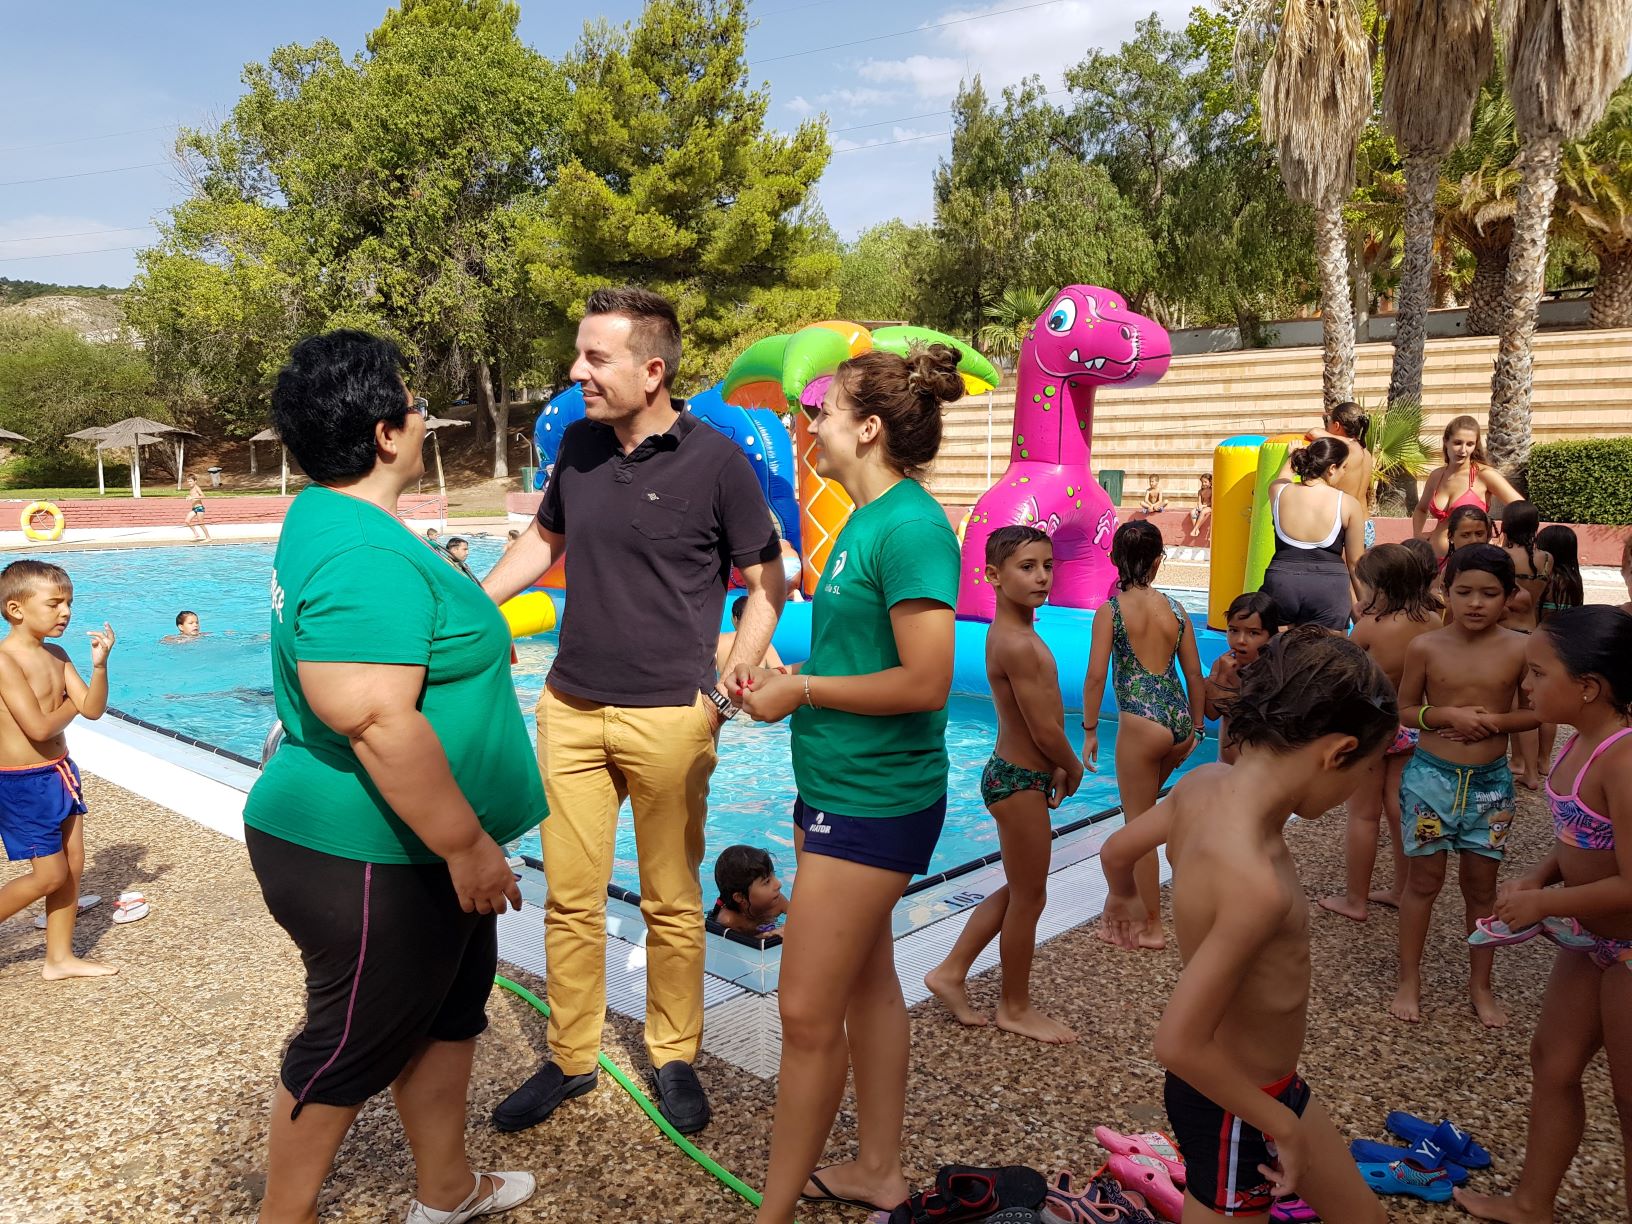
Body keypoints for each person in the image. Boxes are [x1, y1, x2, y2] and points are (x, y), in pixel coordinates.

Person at [244, 331, 546, 1223]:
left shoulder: (335, 518)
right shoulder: (361, 555)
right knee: (341, 1052)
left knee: (450, 1017)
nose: (423, 420)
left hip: (422, 850)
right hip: (375, 850)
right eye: (415, 407)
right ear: (384, 433)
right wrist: (466, 846)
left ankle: (446, 1192)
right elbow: (373, 715)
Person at [480, 287, 785, 1137]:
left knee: (670, 901)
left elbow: (769, 581)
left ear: (652, 370)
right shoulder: (577, 446)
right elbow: (545, 541)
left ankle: (674, 1053)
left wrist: (724, 693)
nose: (577, 372)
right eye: (580, 356)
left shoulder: (719, 463)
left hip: (669, 716)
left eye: (596, 358)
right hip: (570, 708)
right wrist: (473, 608)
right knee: (569, 900)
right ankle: (572, 1058)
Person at [728, 343, 963, 1221]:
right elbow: (863, 657)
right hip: (836, 788)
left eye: (821, 411)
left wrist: (806, 689)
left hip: (874, 802)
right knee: (868, 986)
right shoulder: (866, 523)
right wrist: (787, 676)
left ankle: (773, 1211)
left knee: (803, 1011)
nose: (808, 423)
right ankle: (877, 1169)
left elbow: (926, 681)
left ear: (866, 428)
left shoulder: (908, 527)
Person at [1099, 626, 1395, 1224]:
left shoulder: (1201, 785)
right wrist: (1277, 1123)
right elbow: (1178, 1044)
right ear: (1337, 752)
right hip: (1237, 1106)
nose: (1358, 786)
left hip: (1271, 1090)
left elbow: (1115, 848)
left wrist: (1123, 896)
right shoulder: (1256, 885)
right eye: (1365, 769)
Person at [1455, 606, 1632, 1223]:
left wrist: (1544, 903)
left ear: (1588, 687)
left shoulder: (1624, 761)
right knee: (1552, 1062)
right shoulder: (1579, 742)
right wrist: (1540, 874)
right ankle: (1533, 1203)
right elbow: (1584, 839)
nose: (1526, 687)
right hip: (1593, 940)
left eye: (1537, 673)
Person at [925, 525, 1084, 1044]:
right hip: (1017, 779)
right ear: (993, 576)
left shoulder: (1018, 635)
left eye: (1047, 566)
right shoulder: (1016, 642)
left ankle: (950, 972)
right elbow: (1042, 728)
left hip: (1023, 775)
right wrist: (1074, 764)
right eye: (1026, 567)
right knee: (1030, 898)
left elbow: (1038, 722)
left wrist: (1055, 765)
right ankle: (1014, 1007)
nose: (1041, 576)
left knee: (1021, 890)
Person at [1391, 544, 1537, 1029]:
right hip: (1430, 779)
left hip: (1491, 787)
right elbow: (1404, 709)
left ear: (1510, 597)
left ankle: (1481, 985)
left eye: (1489, 594)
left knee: (1481, 887)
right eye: (1464, 592)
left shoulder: (1521, 648)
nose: (1475, 603)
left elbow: (1537, 712)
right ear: (1444, 592)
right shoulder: (1427, 647)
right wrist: (1444, 714)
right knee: (1423, 883)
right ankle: (1409, 979)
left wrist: (1497, 722)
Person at [1083, 520, 1204, 951]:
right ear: (1157, 561)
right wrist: (1198, 728)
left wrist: (1090, 729)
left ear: (1115, 559)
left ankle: (1151, 925)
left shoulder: (1112, 612)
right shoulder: (1176, 609)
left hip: (1140, 722)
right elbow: (1194, 674)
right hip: (1178, 724)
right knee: (1150, 817)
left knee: (1140, 828)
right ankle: (1129, 904)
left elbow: (1097, 675)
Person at [0, 561, 116, 980]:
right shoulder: (5, 660)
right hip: (21, 782)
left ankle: (59, 958)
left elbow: (95, 709)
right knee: (48, 875)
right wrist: (74, 704)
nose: (65, 611)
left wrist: (99, 666)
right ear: (16, 609)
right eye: (54, 604)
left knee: (72, 866)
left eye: (68, 603)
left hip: (60, 772)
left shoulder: (58, 654)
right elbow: (39, 726)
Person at [1319, 545, 1440, 922]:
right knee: (1399, 811)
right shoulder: (1435, 620)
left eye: (1367, 587)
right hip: (1412, 725)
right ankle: (1403, 891)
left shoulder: (1371, 626)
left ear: (1382, 589)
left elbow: (1347, 669)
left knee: (1363, 815)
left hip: (1375, 726)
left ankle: (1355, 899)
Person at [1260, 437, 1366, 631]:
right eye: (1344, 468)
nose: (1344, 473)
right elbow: (1355, 563)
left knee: (1277, 652)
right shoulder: (1348, 504)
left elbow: (1283, 477)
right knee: (1329, 655)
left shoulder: (1278, 491)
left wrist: (1292, 456)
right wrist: (1364, 603)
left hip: (1282, 582)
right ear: (1332, 468)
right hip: (1328, 588)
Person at [1498, 501, 1553, 791]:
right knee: (1530, 705)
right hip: (1533, 631)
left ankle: (1517, 761)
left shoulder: (1503, 557)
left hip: (1507, 634)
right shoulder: (1547, 559)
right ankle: (1533, 769)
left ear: (1506, 525)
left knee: (1510, 706)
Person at [1413, 415, 1522, 556]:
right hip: (1435, 559)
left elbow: (1521, 508)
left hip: (1472, 561)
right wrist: (1418, 534)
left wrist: (1504, 538)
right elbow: (1421, 509)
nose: (1463, 450)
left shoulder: (1484, 474)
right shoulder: (1436, 476)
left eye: (1470, 444)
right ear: (1446, 441)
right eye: (1457, 443)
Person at [1205, 591, 1280, 765]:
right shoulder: (1222, 665)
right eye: (1233, 630)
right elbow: (1211, 713)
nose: (1240, 640)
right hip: (1224, 763)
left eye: (1253, 633)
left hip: (1258, 769)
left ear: (1271, 636)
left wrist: (1236, 684)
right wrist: (1222, 677)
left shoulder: (1273, 670)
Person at [1536, 524, 1585, 769]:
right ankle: (1545, 759)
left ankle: (1539, 760)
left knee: (1538, 707)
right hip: (1565, 645)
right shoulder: (1575, 580)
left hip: (1547, 643)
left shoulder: (1551, 581)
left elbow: (1543, 616)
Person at [1307, 400, 1375, 544]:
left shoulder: (1349, 448)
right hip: (1366, 524)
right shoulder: (1366, 453)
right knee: (1360, 566)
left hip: (1345, 523)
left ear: (1337, 426)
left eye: (1328, 422)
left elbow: (1313, 432)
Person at [708, 844, 788, 936]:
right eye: (767, 882)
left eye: (774, 875)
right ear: (739, 897)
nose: (778, 884)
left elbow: (802, 917)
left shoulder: (778, 902)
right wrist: (763, 936)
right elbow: (734, 947)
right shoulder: (729, 920)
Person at [716, 595, 785, 675]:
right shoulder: (763, 644)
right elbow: (783, 675)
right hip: (754, 686)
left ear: (734, 618)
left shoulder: (719, 640)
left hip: (724, 685)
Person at [1184, 474, 1213, 542]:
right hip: (1202, 506)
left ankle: (1195, 529)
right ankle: (1197, 529)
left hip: (1209, 507)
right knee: (1192, 512)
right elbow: (1199, 501)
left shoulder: (1212, 491)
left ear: (1210, 482)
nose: (1203, 483)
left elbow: (1211, 503)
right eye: (1202, 482)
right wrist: (1199, 506)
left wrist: (1203, 506)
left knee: (1203, 512)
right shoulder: (1200, 491)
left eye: (1205, 482)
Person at [185, 474, 210, 542]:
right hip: (194, 509)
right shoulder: (191, 488)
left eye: (190, 481)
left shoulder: (196, 487)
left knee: (201, 524)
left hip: (199, 508)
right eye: (188, 481)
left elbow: (203, 496)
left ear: (195, 481)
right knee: (187, 521)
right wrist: (188, 497)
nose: (189, 483)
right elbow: (192, 496)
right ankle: (196, 534)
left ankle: (208, 538)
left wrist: (192, 497)